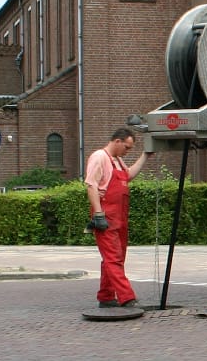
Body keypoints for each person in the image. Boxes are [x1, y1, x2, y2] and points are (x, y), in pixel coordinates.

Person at [84, 127, 153, 308]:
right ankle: (126, 296)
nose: (127, 151)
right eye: (127, 147)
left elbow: (128, 175)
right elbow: (91, 185)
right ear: (117, 141)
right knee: (113, 257)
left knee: (115, 257)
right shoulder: (99, 157)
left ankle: (106, 296)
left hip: (119, 217)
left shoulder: (117, 161)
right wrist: (98, 214)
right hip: (106, 215)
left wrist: (145, 156)